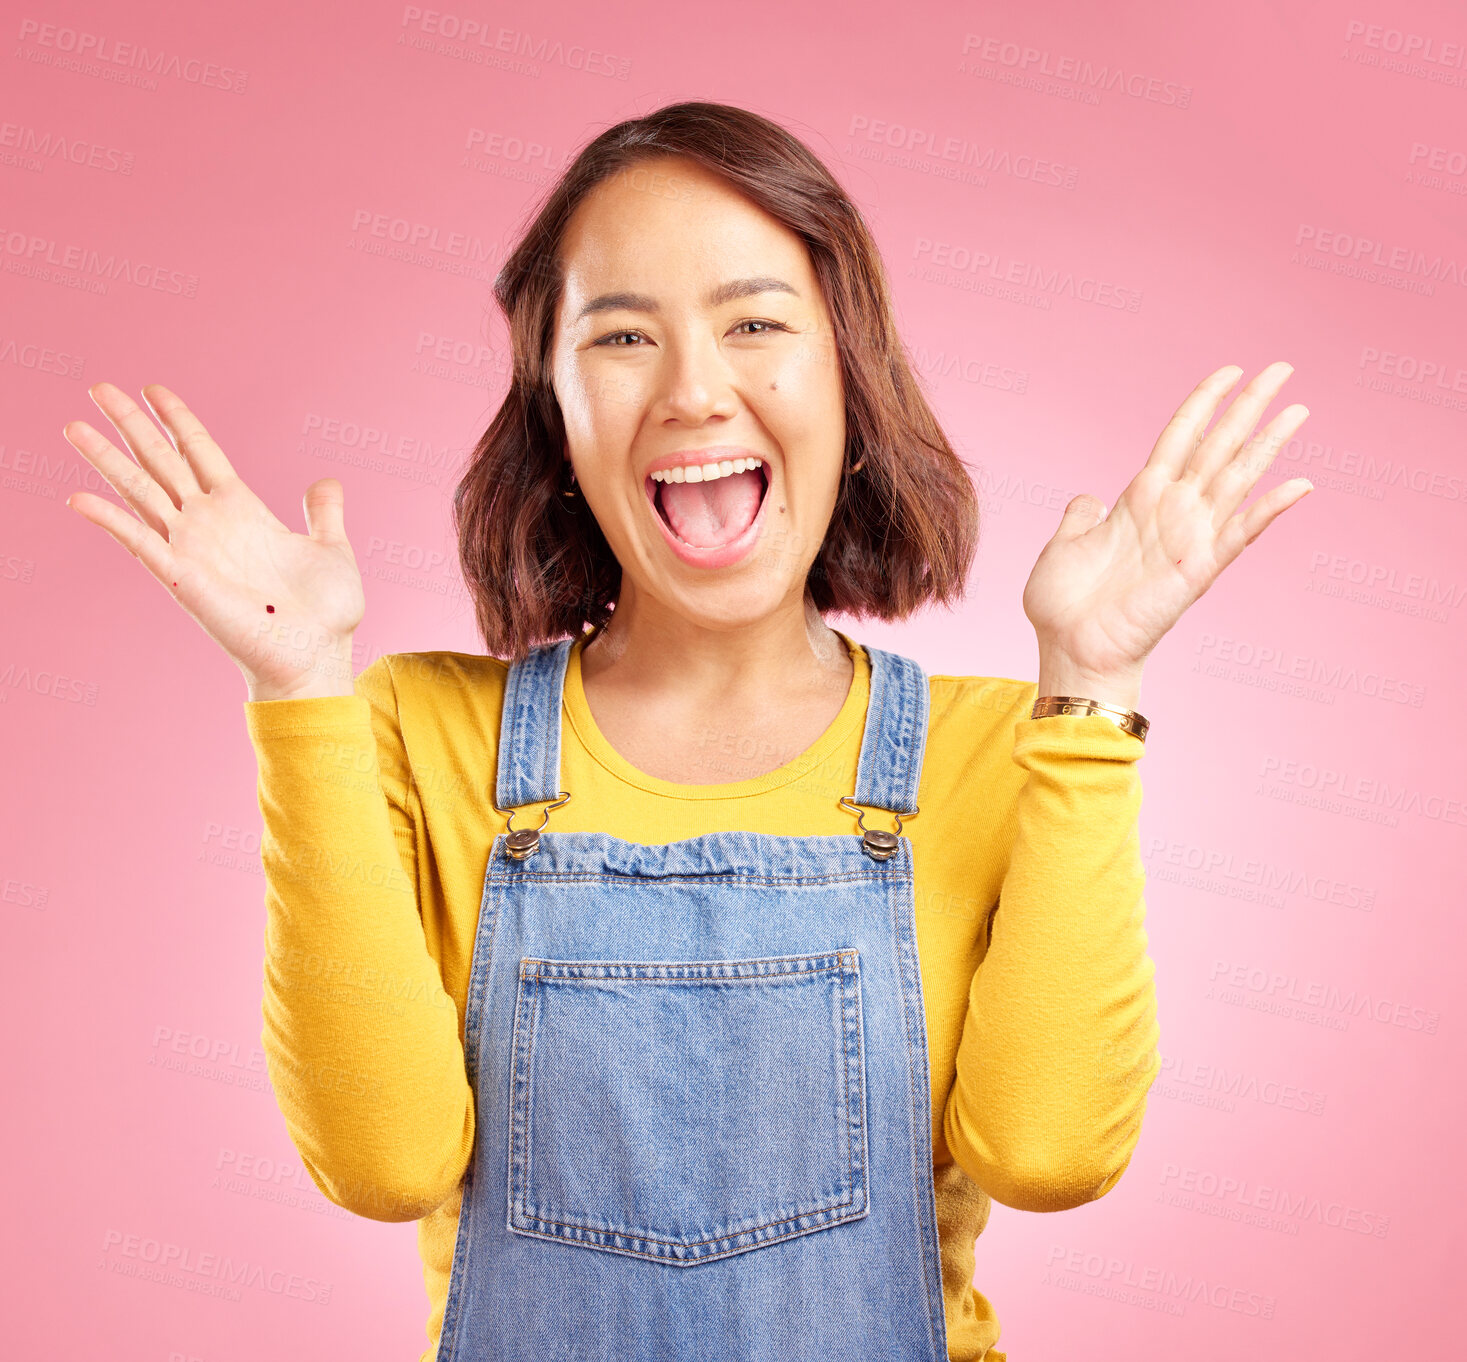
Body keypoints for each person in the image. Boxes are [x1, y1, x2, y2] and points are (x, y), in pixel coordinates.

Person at [62, 101, 1312, 1362]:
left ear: (850, 382)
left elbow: (1049, 1156)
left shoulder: (998, 751)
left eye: (757, 323)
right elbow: (383, 1165)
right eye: (621, 337)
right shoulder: (410, 732)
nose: (694, 389)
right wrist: (298, 687)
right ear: (553, 411)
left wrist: (1093, 679)